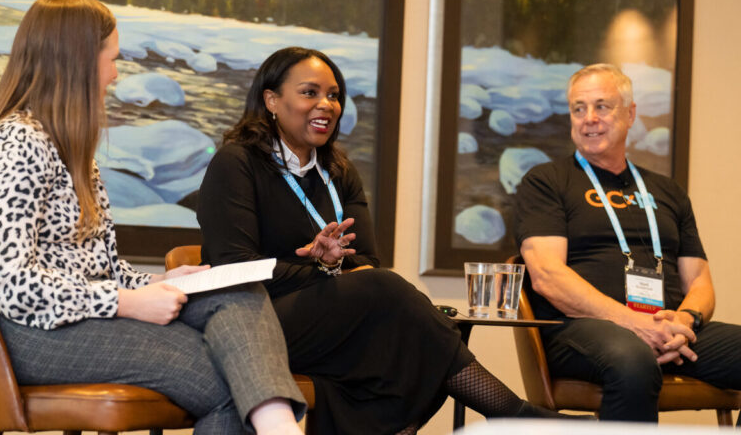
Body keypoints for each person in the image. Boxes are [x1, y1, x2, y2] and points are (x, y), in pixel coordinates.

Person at [197, 46, 591, 434]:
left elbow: (366, 260)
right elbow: (236, 268)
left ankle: (488, 419)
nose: (327, 105)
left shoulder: (338, 170)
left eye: (334, 95)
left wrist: (333, 266)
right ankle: (513, 413)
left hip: (333, 321)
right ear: (271, 100)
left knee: (421, 330)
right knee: (408, 314)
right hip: (255, 321)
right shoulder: (237, 163)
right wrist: (324, 271)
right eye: (310, 92)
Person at [0, 0, 308, 435]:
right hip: (25, 332)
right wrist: (126, 301)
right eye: (110, 59)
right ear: (75, 61)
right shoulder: (16, 143)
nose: (115, 74)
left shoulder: (75, 151)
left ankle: (278, 426)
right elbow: (10, 283)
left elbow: (100, 269)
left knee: (238, 290)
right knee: (225, 378)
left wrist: (157, 283)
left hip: (81, 315)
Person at [515, 63, 741, 422]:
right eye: (578, 108)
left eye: (602, 106)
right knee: (632, 357)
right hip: (579, 328)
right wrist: (633, 322)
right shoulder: (546, 182)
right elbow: (547, 276)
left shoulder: (668, 191)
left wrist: (684, 320)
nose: (589, 118)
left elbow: (699, 281)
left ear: (631, 113)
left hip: (666, 327)